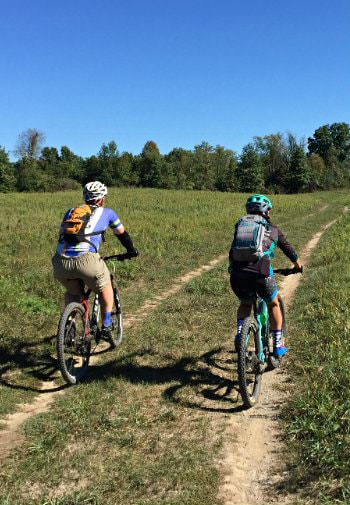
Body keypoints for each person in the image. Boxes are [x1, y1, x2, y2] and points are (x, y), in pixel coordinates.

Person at [52, 181, 138, 343]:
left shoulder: (71, 212)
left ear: (86, 197)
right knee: (105, 287)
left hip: (60, 262)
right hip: (87, 261)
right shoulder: (108, 212)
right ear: (101, 199)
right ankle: (106, 324)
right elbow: (121, 233)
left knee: (73, 293)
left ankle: (69, 328)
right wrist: (131, 250)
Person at [229, 194, 302, 358]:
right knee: (274, 304)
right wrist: (298, 265)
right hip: (261, 275)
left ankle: (241, 334)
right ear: (266, 211)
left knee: (245, 304)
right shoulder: (273, 230)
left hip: (237, 276)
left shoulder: (240, 225)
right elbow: (288, 249)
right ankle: (277, 345)